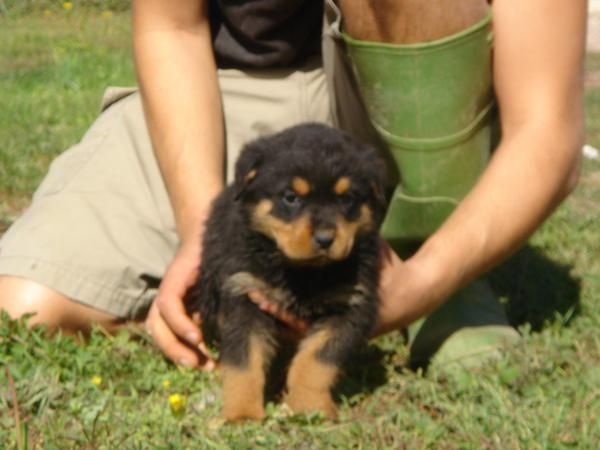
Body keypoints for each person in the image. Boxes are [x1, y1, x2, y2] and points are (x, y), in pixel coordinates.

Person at [0, 0, 585, 372]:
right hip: (237, 89)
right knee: (24, 307)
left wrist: (423, 284)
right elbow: (172, 28)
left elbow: (549, 133)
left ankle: (437, 263)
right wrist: (206, 229)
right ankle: (271, 299)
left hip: (417, 99)